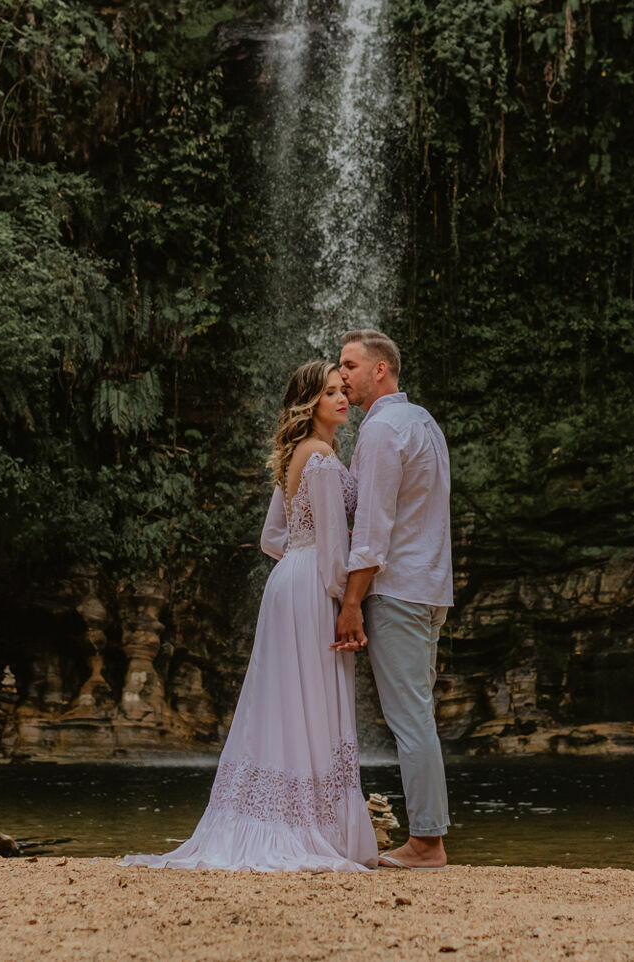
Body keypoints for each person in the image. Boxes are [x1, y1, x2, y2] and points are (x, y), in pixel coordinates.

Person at [121, 360, 378, 873]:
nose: (341, 398)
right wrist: (344, 601)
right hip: (312, 586)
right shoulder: (323, 458)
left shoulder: (294, 456)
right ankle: (316, 825)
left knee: (285, 698)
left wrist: (297, 569)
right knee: (313, 698)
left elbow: (270, 539)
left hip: (284, 585)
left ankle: (275, 814)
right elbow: (332, 551)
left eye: (340, 390)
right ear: (310, 404)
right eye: (330, 393)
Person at [334, 329, 454, 870]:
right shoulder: (424, 422)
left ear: (380, 369)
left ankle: (427, 842)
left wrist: (352, 602)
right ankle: (427, 835)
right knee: (418, 714)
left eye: (350, 366)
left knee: (410, 719)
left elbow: (373, 529)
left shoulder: (381, 430)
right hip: (429, 587)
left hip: (398, 589)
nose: (342, 377)